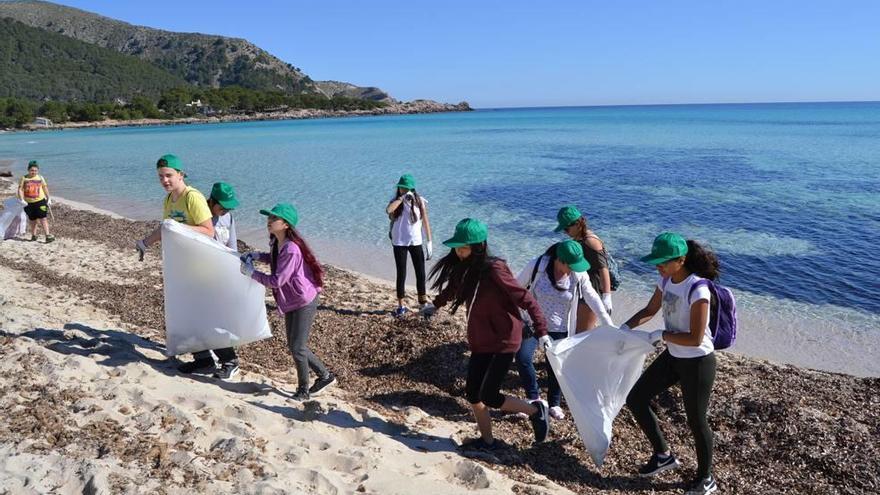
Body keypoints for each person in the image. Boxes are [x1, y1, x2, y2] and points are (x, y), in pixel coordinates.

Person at [420, 218, 551, 449]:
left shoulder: (495, 269)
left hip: (504, 339)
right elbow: (453, 289)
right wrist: (435, 305)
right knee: (472, 393)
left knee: (490, 396)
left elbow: (526, 299)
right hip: (481, 340)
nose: (459, 252)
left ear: (479, 246)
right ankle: (487, 440)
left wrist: (542, 332)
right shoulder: (466, 268)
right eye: (457, 247)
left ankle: (535, 410)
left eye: (464, 247)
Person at [621, 232, 719, 495]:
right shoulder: (665, 280)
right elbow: (650, 310)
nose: (658, 266)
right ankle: (663, 455)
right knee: (636, 398)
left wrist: (661, 335)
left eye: (663, 261)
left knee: (696, 421)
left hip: (697, 361)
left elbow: (696, 338)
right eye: (657, 261)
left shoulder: (698, 288)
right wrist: (624, 328)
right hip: (674, 356)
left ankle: (706, 479)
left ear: (681, 259)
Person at [240, 203, 336, 400]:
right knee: (294, 346)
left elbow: (277, 281)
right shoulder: (277, 241)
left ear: (285, 224)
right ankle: (325, 376)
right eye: (269, 217)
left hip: (304, 300)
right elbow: (274, 259)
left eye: (274, 218)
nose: (269, 221)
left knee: (298, 347)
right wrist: (257, 256)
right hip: (291, 300)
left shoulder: (292, 248)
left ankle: (304, 391)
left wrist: (251, 273)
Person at [134, 154, 216, 374]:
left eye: (169, 175)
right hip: (179, 264)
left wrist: (177, 227)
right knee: (182, 313)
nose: (165, 181)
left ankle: (225, 360)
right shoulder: (169, 199)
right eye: (161, 177)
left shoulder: (192, 197)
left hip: (197, 264)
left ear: (181, 174)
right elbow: (165, 228)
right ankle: (203, 359)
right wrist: (145, 243)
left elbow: (209, 230)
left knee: (197, 313)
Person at [514, 240, 613, 420]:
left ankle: (554, 403)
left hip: (560, 327)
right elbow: (516, 288)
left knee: (556, 366)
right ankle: (533, 397)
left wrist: (607, 321)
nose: (574, 269)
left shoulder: (578, 273)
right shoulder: (537, 266)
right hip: (533, 323)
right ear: (559, 260)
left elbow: (591, 296)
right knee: (522, 358)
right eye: (571, 266)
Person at [187, 181, 242, 380]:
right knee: (192, 316)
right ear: (212, 201)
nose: (225, 210)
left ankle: (230, 361)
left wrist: (234, 271)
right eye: (223, 206)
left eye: (229, 207)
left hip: (219, 274)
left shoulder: (228, 217)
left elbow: (232, 245)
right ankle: (203, 359)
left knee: (213, 318)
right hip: (198, 272)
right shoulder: (200, 216)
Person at [555, 205, 613, 330]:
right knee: (576, 330)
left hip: (593, 291)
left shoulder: (591, 241)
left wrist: (607, 296)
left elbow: (604, 268)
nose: (565, 232)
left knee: (582, 334)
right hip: (582, 288)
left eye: (566, 228)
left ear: (577, 224)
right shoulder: (578, 239)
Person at [385, 174, 433, 317]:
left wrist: (429, 241)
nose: (404, 191)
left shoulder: (419, 201)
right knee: (402, 273)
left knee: (420, 273)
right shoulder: (395, 201)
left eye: (406, 189)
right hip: (399, 242)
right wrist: (401, 199)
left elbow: (425, 222)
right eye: (401, 188)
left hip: (416, 241)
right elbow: (388, 210)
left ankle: (423, 303)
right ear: (398, 188)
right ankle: (401, 306)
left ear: (412, 188)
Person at [17, 160, 54, 243]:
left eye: (35, 170)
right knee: (32, 220)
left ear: (38, 170)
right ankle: (34, 236)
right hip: (28, 203)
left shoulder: (40, 177)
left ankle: (47, 236)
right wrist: (22, 200)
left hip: (40, 201)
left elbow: (45, 188)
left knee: (43, 218)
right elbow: (20, 189)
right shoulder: (24, 178)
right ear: (28, 170)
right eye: (32, 170)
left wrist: (49, 198)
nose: (34, 172)